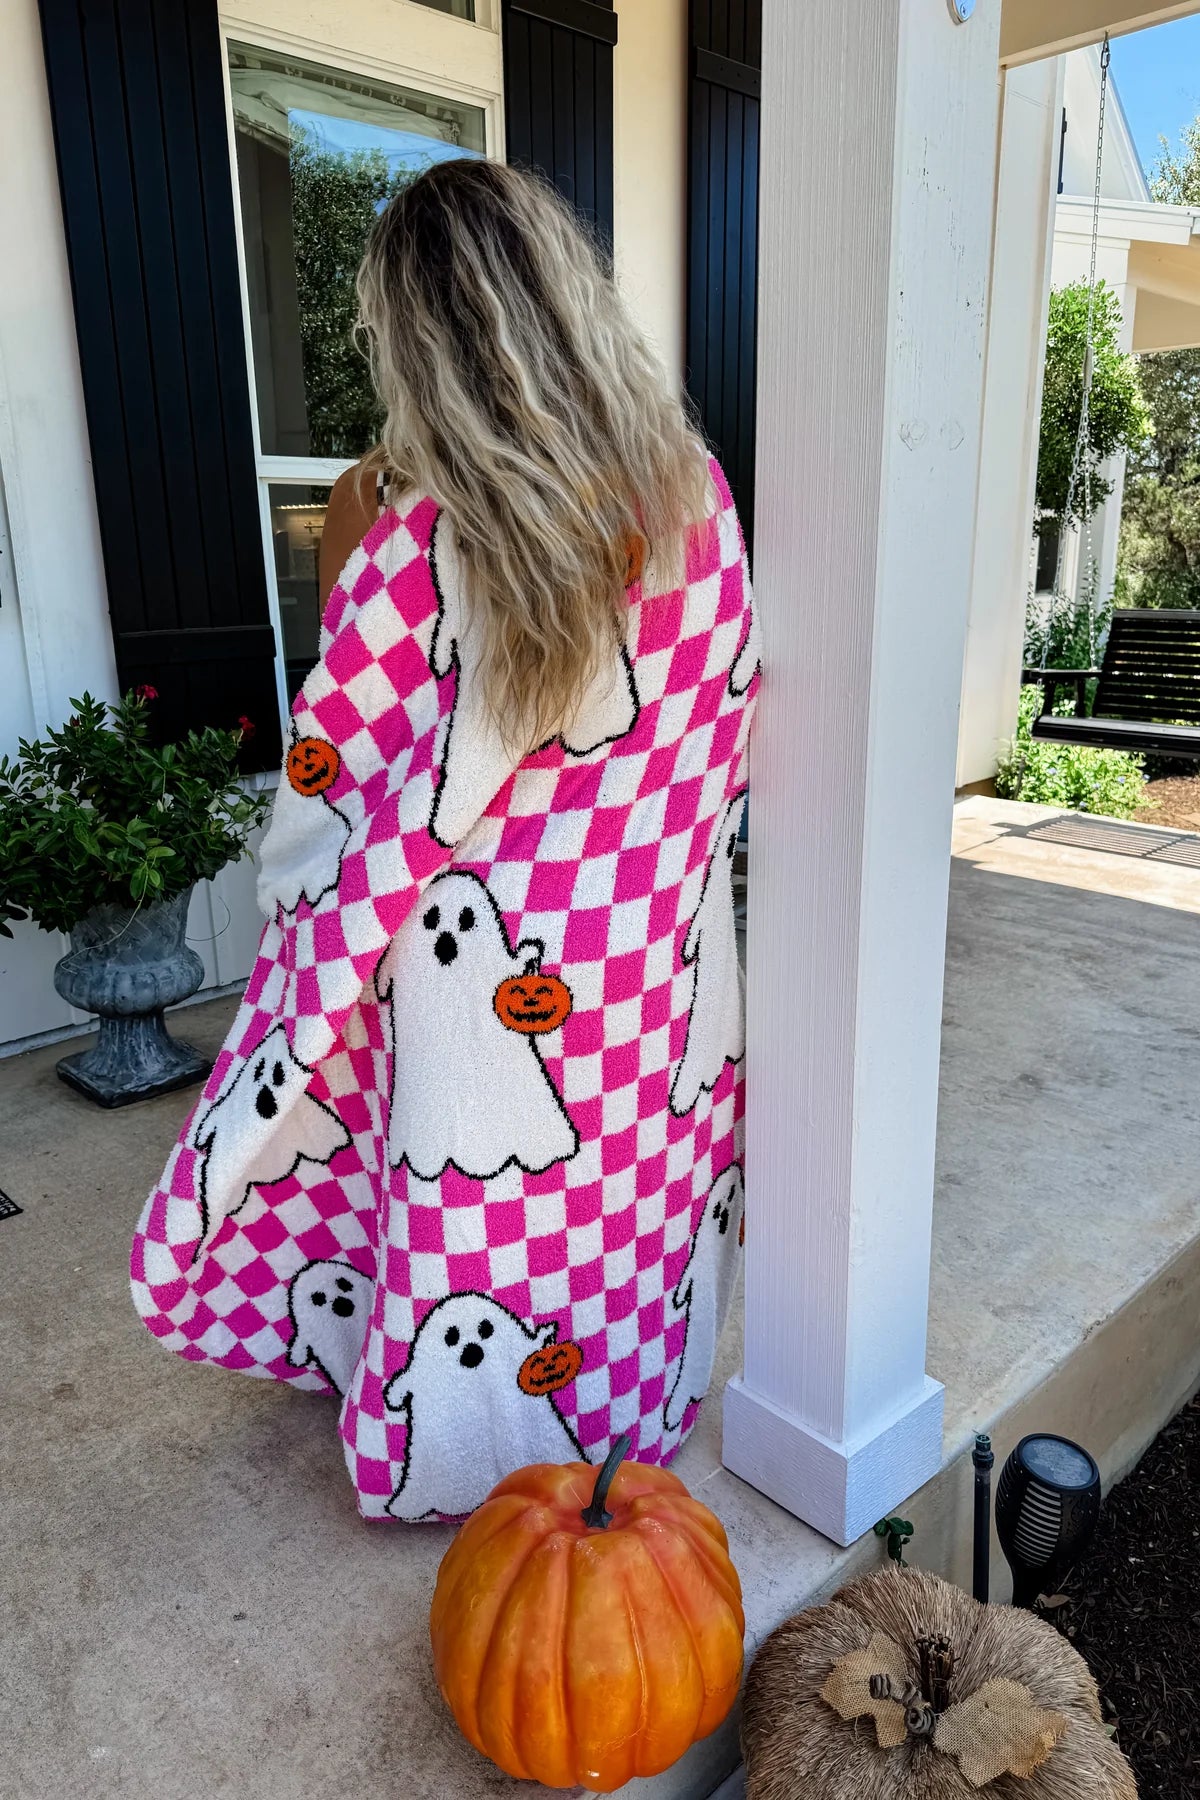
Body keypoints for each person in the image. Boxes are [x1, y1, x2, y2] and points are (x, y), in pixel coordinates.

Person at [131, 158, 759, 1521]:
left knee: (467, 1212)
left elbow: (331, 790)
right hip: (643, 955)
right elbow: (716, 732)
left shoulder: (401, 532)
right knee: (617, 1199)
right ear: (572, 301)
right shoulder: (695, 499)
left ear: (412, 339)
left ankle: (457, 1453)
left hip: (470, 970)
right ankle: (620, 1424)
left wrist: (311, 921)